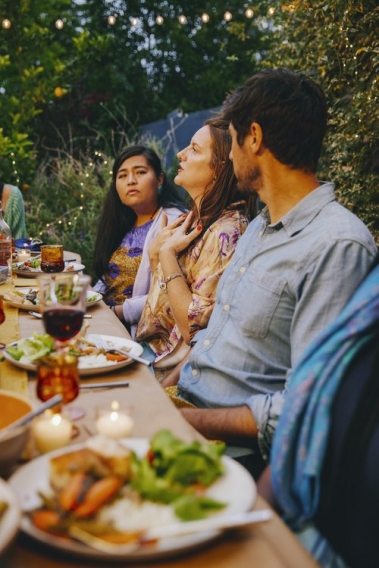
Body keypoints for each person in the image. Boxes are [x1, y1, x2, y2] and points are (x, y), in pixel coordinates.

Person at [161, 68, 377, 476]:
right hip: (183, 410)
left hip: (233, 457)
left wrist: (179, 421)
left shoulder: (336, 245)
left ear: (254, 138)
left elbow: (305, 409)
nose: (230, 155)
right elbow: (212, 340)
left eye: (235, 140)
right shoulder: (260, 225)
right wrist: (158, 394)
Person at [258, 256, 379, 568]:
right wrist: (255, 512)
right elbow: (308, 404)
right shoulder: (372, 287)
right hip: (292, 520)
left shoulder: (341, 248)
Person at [135, 118, 256, 376]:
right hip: (152, 355)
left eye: (194, 149)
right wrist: (156, 256)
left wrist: (166, 256)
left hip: (174, 371)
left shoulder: (227, 233)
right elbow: (164, 306)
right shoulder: (193, 222)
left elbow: (193, 331)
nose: (181, 154)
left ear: (220, 168)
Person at [93, 146, 187, 337]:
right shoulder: (122, 223)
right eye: (122, 175)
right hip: (105, 321)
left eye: (140, 172)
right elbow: (107, 277)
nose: (131, 181)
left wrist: (115, 313)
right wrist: (90, 302)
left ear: (159, 179)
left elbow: (169, 293)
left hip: (139, 333)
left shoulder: (174, 223)